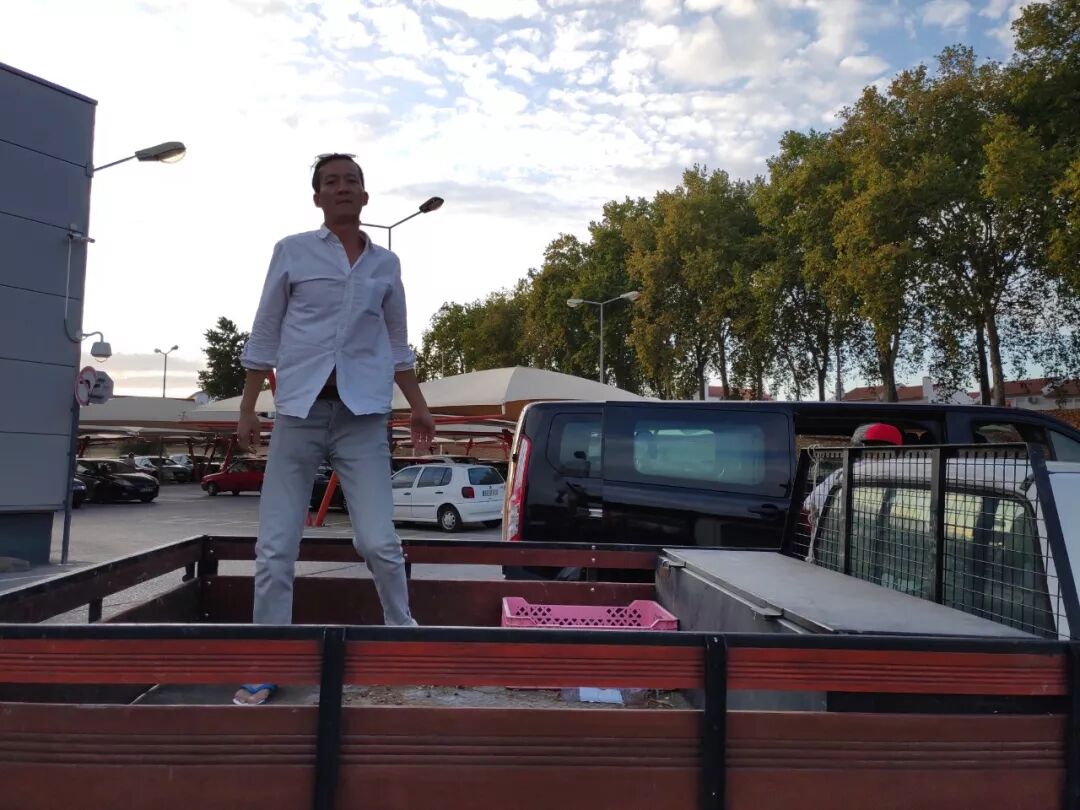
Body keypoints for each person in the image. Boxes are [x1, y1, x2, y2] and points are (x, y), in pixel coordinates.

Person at [232, 153, 436, 705]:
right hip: (298, 413)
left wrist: (418, 405)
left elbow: (396, 343)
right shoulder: (291, 251)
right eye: (331, 182)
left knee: (379, 541)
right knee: (276, 546)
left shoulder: (386, 265)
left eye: (351, 181)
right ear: (317, 197)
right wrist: (248, 408)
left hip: (361, 417)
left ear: (365, 196)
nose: (342, 188)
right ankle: (267, 661)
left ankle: (403, 634)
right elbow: (265, 331)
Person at [804, 422, 902, 562]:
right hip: (858, 545)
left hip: (845, 549)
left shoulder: (845, 472)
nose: (874, 454)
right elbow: (809, 507)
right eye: (871, 447)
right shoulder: (846, 472)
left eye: (879, 447)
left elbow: (808, 506)